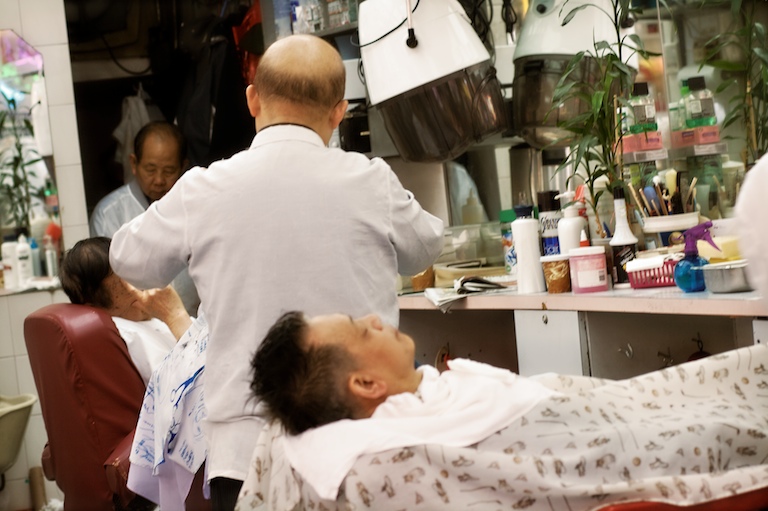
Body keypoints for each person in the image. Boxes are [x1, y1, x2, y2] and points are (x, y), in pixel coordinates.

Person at [108, 34, 445, 510]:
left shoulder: (204, 189)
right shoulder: (369, 180)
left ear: (251, 99)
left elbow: (126, 257)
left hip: (246, 456)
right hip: (363, 447)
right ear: (338, 112)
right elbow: (425, 248)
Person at [240, 310, 768, 510]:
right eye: (362, 329)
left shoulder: (427, 397)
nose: (378, 318)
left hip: (613, 402)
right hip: (629, 438)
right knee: (720, 420)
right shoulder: (397, 458)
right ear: (366, 383)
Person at [89, 120, 200, 316]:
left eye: (168, 171)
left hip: (193, 326)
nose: (158, 180)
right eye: (150, 169)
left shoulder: (198, 204)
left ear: (183, 167)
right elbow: (107, 286)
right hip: (138, 330)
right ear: (134, 163)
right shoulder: (109, 213)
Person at [59, 236, 192, 384]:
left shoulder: (145, 318)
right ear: (94, 304)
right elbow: (195, 386)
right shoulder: (126, 336)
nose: (142, 281)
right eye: (126, 277)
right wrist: (175, 316)